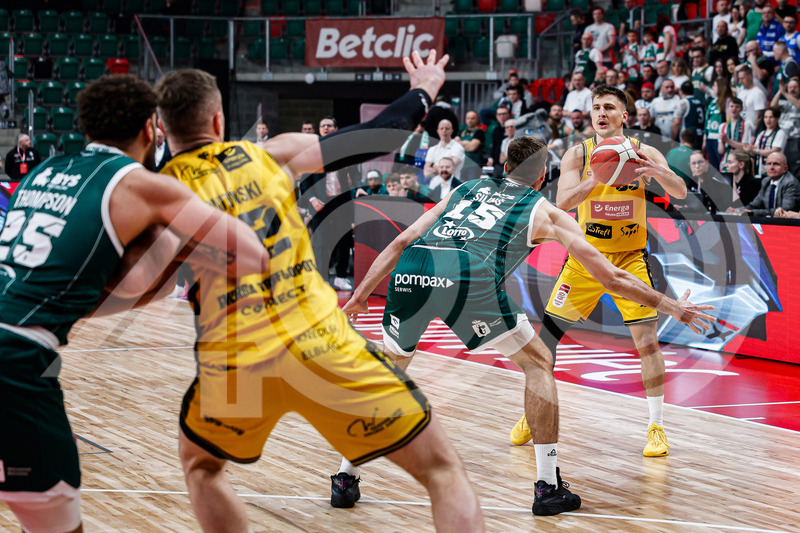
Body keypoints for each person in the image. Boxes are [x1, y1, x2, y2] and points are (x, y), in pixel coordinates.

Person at [154, 52, 485, 532]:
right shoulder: (270, 154)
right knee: (442, 470)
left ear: (161, 129)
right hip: (318, 342)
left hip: (235, 360)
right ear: (219, 120)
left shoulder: (156, 192)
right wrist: (424, 90)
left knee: (202, 467)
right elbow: (379, 135)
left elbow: (148, 283)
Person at [336, 135, 713, 516]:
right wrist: (673, 307)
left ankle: (345, 477)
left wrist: (361, 295)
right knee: (538, 363)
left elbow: (401, 241)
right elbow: (612, 278)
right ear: (542, 177)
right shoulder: (544, 210)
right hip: (467, 275)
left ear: (504, 167)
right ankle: (547, 486)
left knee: (392, 375)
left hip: (413, 269)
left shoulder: (466, 189)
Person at [0, 74, 272, 533]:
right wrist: (182, 236)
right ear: (151, 129)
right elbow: (251, 255)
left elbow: (63, 286)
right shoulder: (143, 185)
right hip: (16, 361)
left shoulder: (42, 173)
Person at [510, 85, 699, 458]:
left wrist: (658, 171)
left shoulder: (643, 151)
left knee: (647, 343)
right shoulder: (578, 154)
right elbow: (561, 203)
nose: (601, 113)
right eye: (596, 107)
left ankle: (656, 427)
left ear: (624, 115)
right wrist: (597, 177)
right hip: (585, 261)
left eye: (609, 107)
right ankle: (532, 415)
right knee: (546, 343)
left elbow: (680, 192)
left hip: (629, 258)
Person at [727, 152, 800, 216]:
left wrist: (753, 212)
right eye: (769, 164)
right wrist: (738, 210)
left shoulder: (790, 183)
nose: (771, 167)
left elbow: (785, 211)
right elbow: (755, 204)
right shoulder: (766, 181)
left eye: (776, 164)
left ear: (785, 168)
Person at [772, 77, 800, 177]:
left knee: (794, 168)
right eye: (790, 87)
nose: (792, 89)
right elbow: (772, 107)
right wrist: (780, 91)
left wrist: (785, 93)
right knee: (780, 165)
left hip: (795, 140)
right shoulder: (784, 102)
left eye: (795, 87)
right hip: (781, 138)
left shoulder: (797, 101)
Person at [747, 106, 786, 176]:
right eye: (766, 117)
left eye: (771, 117)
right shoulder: (762, 133)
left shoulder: (780, 133)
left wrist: (756, 151)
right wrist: (749, 148)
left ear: (777, 119)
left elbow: (774, 151)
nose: (768, 120)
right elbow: (755, 147)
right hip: (760, 167)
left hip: (774, 168)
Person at [718, 96, 753, 172]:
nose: (734, 109)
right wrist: (722, 143)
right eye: (731, 106)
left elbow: (745, 147)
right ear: (728, 108)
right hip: (726, 160)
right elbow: (720, 151)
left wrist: (728, 140)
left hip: (740, 160)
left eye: (737, 107)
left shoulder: (746, 124)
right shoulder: (723, 126)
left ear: (741, 109)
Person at [705, 77, 733, 172]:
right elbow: (708, 120)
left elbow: (729, 121)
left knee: (721, 165)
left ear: (721, 87)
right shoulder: (713, 101)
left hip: (719, 138)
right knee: (713, 167)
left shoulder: (728, 100)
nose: (713, 88)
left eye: (715, 86)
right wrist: (705, 138)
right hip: (710, 137)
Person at [456, 110, 486, 181]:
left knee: (472, 186)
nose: (470, 120)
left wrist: (461, 143)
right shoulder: (461, 131)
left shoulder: (479, 132)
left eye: (472, 118)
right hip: (461, 165)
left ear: (477, 119)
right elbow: (455, 145)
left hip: (474, 165)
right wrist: (467, 143)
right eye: (468, 118)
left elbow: (472, 147)